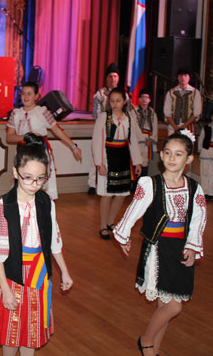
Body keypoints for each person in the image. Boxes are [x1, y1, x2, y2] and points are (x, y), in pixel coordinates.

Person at [113, 130, 207, 356]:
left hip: (180, 249)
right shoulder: (150, 184)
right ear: (162, 156)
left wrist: (193, 246)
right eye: (168, 153)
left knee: (166, 304)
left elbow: (198, 218)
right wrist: (123, 234)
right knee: (173, 306)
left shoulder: (194, 189)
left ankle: (154, 348)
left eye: (179, 154)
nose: (172, 159)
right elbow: (133, 211)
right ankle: (146, 341)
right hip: (158, 248)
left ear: (189, 159)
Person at [0, 133, 73, 355]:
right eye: (28, 178)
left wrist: (64, 271)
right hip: (13, 276)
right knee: (11, 331)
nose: (34, 184)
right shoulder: (2, 207)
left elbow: (53, 240)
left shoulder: (46, 203)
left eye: (40, 179)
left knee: (32, 329)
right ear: (15, 172)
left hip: (39, 274)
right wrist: (5, 289)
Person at [6, 82, 82, 200]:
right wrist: (26, 137)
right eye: (23, 93)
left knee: (42, 188)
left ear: (36, 96)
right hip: (23, 154)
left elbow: (57, 130)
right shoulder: (16, 113)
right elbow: (9, 137)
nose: (26, 96)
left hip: (40, 153)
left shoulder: (42, 112)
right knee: (22, 190)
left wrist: (73, 146)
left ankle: (44, 215)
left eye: (29, 94)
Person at [91, 87, 142, 239]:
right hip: (108, 156)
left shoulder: (128, 118)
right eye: (112, 101)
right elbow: (97, 140)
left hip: (123, 157)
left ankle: (110, 221)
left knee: (121, 194)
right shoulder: (104, 117)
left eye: (118, 101)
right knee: (107, 194)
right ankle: (102, 225)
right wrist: (100, 163)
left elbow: (132, 140)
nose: (115, 104)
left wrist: (137, 162)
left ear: (124, 101)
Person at [88, 63, 130, 194]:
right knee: (96, 156)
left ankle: (116, 182)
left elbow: (128, 112)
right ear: (106, 78)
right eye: (110, 76)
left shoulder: (125, 95)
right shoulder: (100, 93)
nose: (113, 79)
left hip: (119, 131)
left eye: (115, 76)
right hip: (103, 129)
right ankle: (92, 184)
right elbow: (95, 112)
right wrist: (102, 125)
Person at [163, 67, 202, 136]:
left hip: (188, 126)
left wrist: (184, 126)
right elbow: (167, 111)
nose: (183, 78)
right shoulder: (171, 92)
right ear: (177, 77)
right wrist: (175, 127)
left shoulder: (195, 92)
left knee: (186, 145)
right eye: (181, 76)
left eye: (185, 76)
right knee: (172, 145)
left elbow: (196, 112)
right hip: (173, 126)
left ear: (189, 77)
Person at [134, 88, 158, 177]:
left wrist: (151, 139)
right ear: (139, 99)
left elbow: (155, 127)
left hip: (148, 140)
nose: (144, 99)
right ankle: (135, 185)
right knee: (137, 160)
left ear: (149, 100)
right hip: (138, 140)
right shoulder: (134, 111)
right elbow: (134, 127)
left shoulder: (152, 113)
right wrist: (143, 139)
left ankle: (143, 183)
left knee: (145, 162)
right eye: (142, 97)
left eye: (146, 97)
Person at [198, 111, 213, 200]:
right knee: (204, 171)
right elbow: (201, 139)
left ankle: (211, 192)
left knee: (212, 173)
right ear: (211, 117)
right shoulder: (206, 127)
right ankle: (205, 191)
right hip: (206, 150)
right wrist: (200, 150)